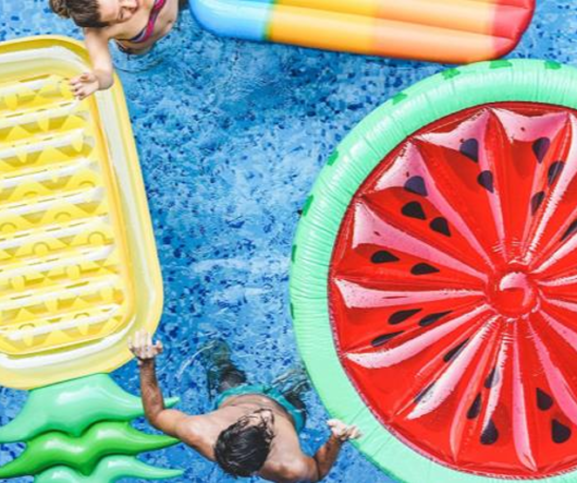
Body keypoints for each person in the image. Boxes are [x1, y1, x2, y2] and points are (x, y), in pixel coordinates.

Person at [128, 330, 362, 482]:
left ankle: (218, 353)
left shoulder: (198, 431)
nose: (263, 414)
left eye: (248, 421)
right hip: (289, 408)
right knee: (307, 375)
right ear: (269, 449)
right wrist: (337, 439)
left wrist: (146, 363)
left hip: (235, 394)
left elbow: (156, 414)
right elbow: (318, 470)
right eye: (267, 428)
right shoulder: (289, 467)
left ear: (230, 430)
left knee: (216, 356)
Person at [48, 0, 184, 99]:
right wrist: (98, 80)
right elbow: (104, 71)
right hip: (143, 46)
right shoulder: (97, 33)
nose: (131, 4)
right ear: (106, 25)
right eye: (121, 15)